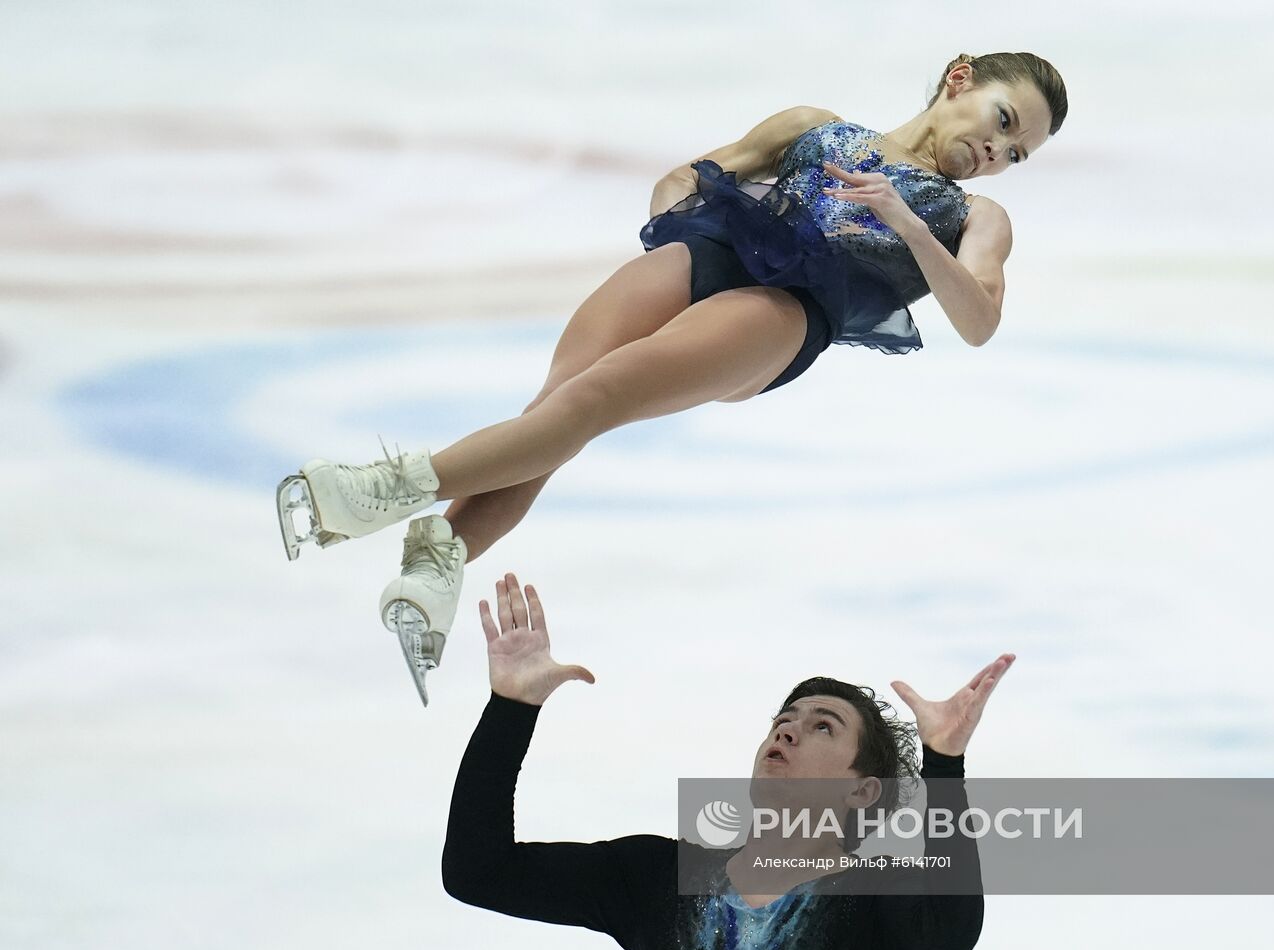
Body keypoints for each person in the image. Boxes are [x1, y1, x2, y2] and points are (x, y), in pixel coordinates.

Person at [274, 51, 1065, 701]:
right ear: (960, 79)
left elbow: (978, 319)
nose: (999, 152)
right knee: (555, 405)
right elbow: (696, 172)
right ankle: (431, 570)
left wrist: (907, 224)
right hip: (712, 253)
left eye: (1017, 152)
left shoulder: (976, 218)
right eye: (1004, 121)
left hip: (787, 309)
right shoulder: (815, 127)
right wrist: (676, 212)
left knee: (594, 399)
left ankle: (383, 488)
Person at [441, 572, 1015, 950]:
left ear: (862, 790)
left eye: (822, 726)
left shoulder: (877, 897)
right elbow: (479, 872)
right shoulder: (659, 879)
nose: (789, 729)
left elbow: (950, 932)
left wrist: (943, 764)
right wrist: (511, 707)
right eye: (784, 719)